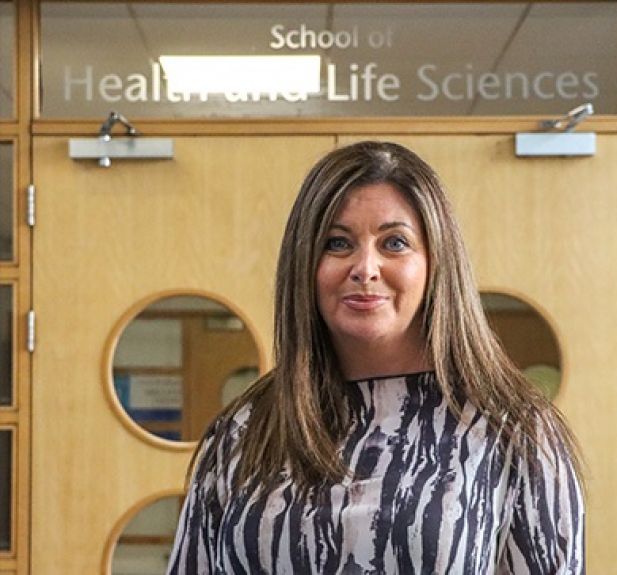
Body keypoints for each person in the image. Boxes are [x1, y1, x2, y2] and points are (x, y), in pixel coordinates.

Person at [167, 141, 585, 574]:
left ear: (436, 263)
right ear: (304, 264)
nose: (365, 267)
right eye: (337, 243)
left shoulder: (513, 430)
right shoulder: (244, 430)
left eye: (395, 243)